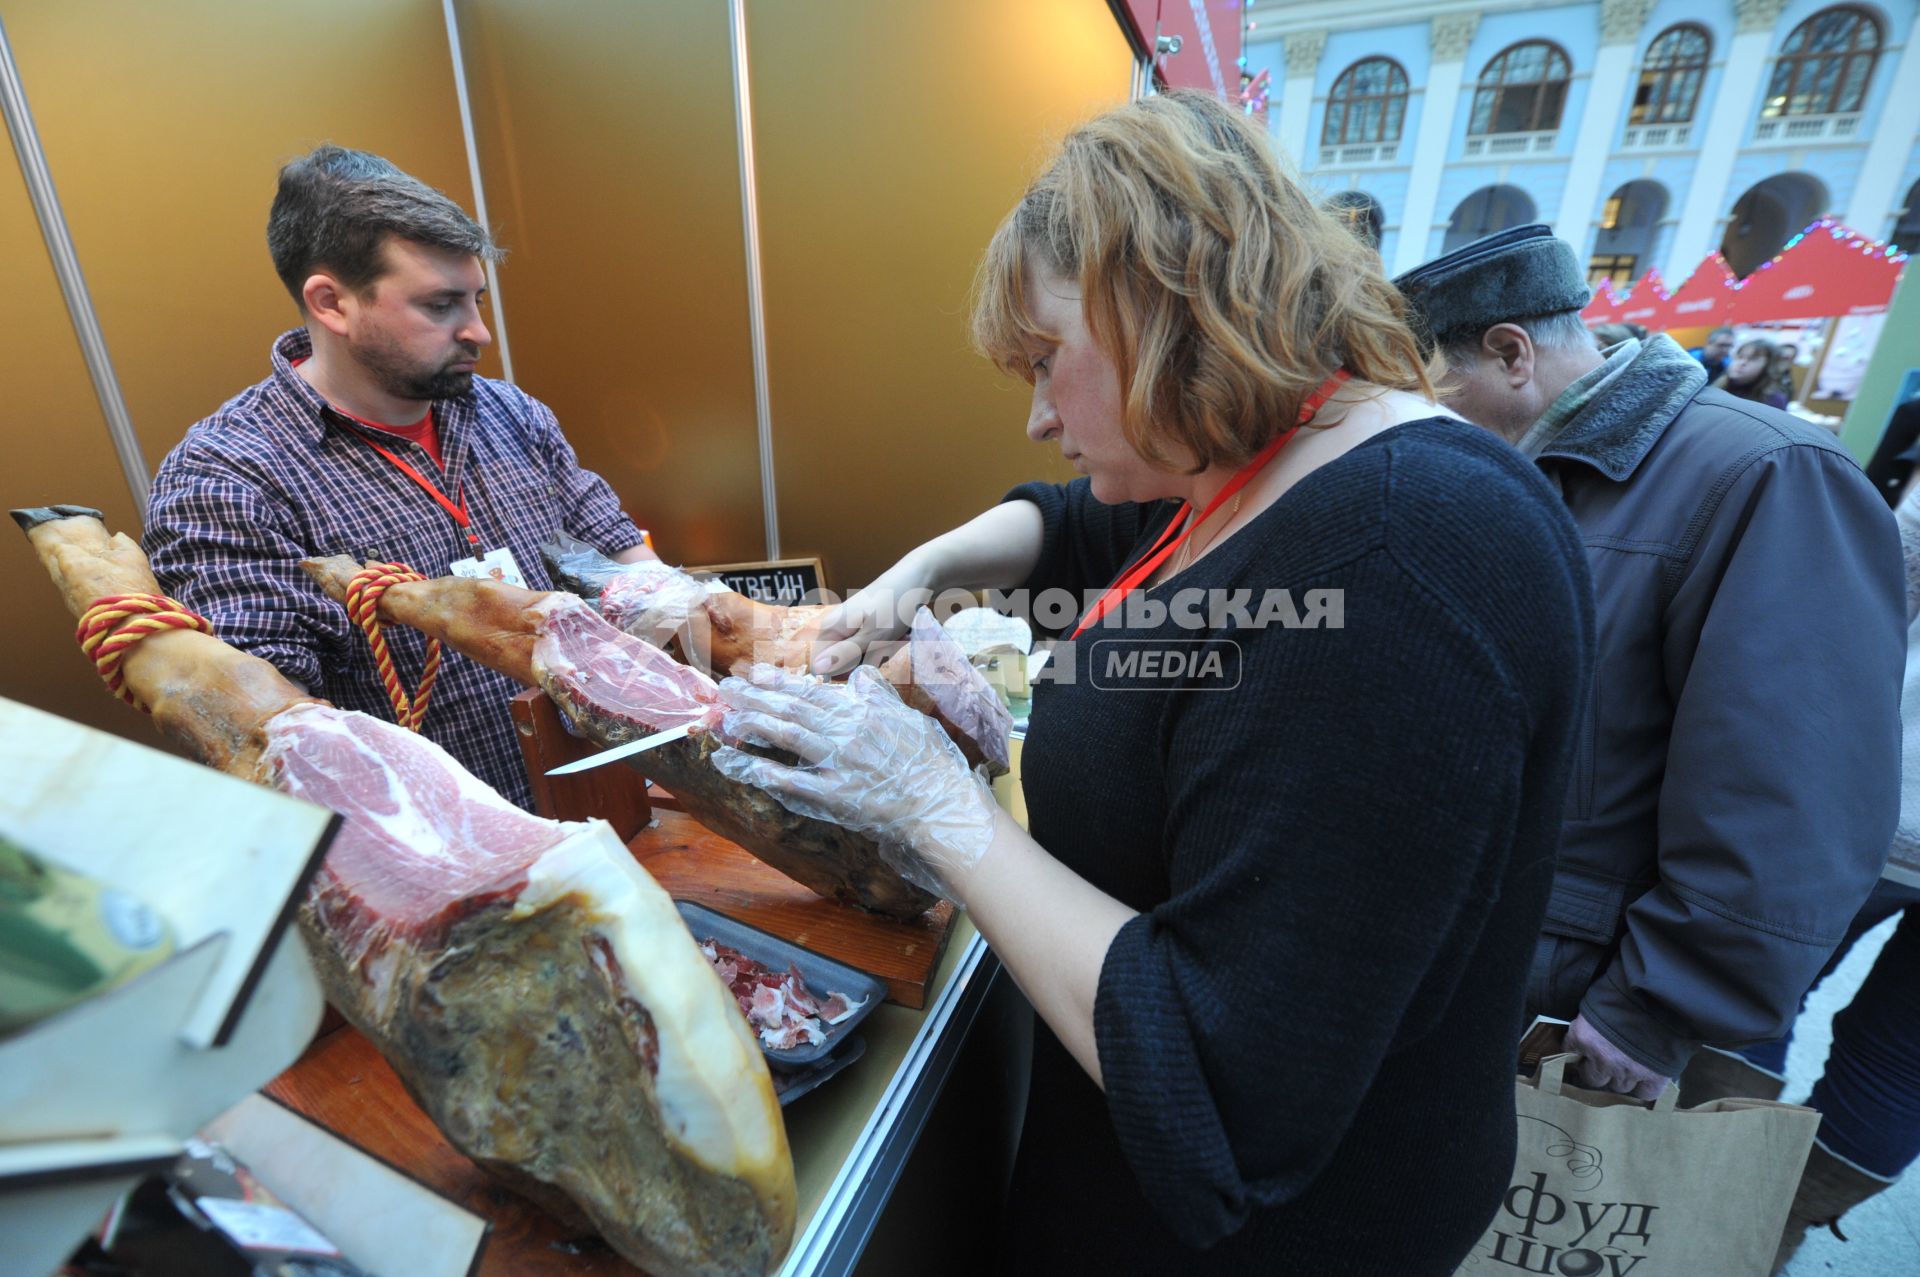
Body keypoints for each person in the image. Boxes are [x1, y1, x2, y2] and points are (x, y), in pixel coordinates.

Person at [708, 92, 1594, 1273]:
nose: (1034, 417)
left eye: (1043, 361)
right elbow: (1087, 529)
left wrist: (933, 803)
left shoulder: (1400, 561)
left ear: (1162, 301)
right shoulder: (1276, 465)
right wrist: (922, 569)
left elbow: (1225, 1081)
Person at [1393, 225, 1904, 1103]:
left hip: (1585, 1000)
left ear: (1511, 353)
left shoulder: (1771, 472)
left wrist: (1657, 1004)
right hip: (1496, 969)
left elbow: (1792, 785)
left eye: (1427, 389)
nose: (1413, 416)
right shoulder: (1511, 466)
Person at [145, 146, 653, 809]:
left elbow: (624, 562)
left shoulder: (511, 413)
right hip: (454, 868)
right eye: (441, 305)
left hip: (616, 806)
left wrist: (749, 648)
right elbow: (281, 739)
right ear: (332, 303)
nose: (479, 332)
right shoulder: (229, 478)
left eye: (474, 298)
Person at [1715, 336, 1790, 409]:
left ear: (1768, 367)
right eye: (1740, 357)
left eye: (1752, 359)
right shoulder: (1718, 384)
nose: (1742, 363)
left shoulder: (1774, 401)